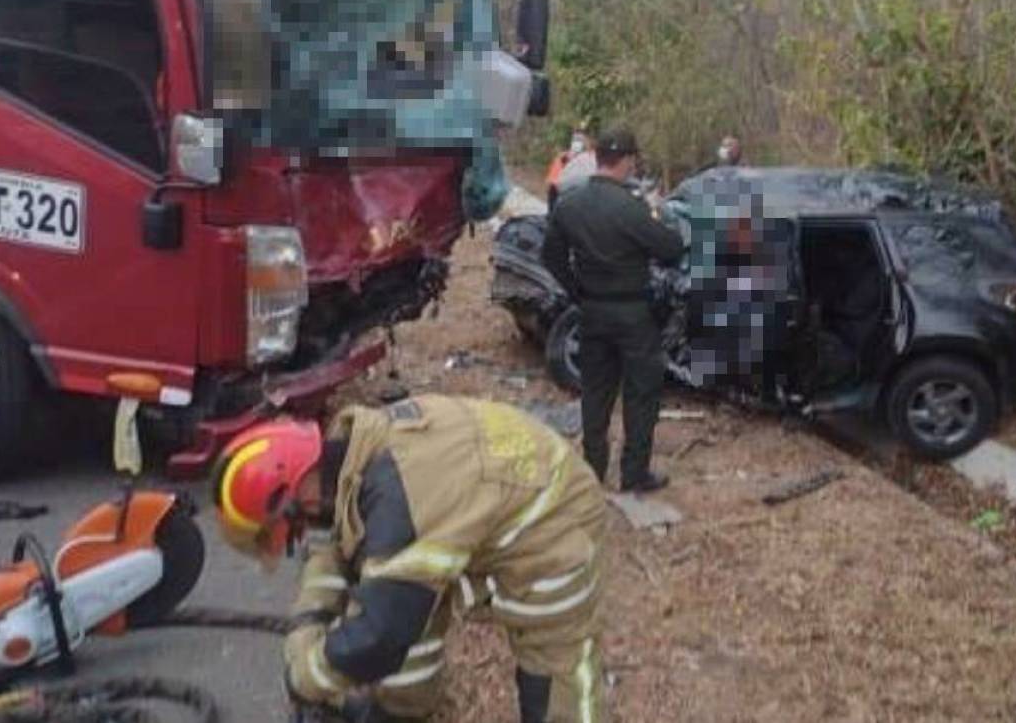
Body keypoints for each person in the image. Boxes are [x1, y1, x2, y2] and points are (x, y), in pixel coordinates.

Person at [213, 394, 608, 723]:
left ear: (296, 492)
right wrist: (308, 623)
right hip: (487, 494)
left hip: (552, 513)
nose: (299, 532)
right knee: (408, 605)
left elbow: (381, 636)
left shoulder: (397, 503)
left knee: (554, 669)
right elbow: (333, 549)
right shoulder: (350, 458)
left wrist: (309, 675)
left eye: (291, 526)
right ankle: (407, 708)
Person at [542, 128, 686, 493]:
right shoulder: (631, 208)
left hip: (592, 311)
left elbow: (550, 255)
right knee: (641, 393)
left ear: (597, 158)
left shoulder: (569, 205)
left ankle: (591, 472)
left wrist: (577, 291)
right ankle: (634, 474)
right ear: (625, 161)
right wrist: (659, 216)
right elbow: (671, 248)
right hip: (633, 314)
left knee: (596, 392)